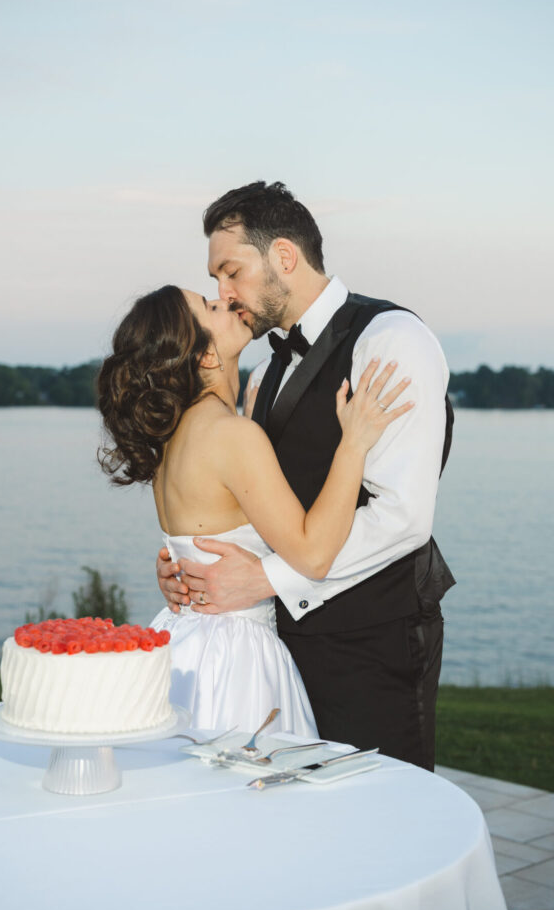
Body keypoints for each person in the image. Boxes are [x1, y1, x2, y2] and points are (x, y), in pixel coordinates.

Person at [156, 181, 454, 770]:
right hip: (278, 651)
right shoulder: (264, 371)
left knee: (378, 814)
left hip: (374, 641)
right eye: (216, 281)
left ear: (284, 258)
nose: (225, 292)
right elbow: (257, 504)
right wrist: (195, 568)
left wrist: (262, 579)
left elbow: (403, 516)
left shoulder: (392, 340)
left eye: (231, 272)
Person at [96, 284, 412, 735]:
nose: (225, 299)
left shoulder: (171, 440)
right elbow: (313, 553)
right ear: (205, 356)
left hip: (180, 642)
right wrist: (354, 444)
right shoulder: (232, 436)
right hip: (234, 660)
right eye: (209, 307)